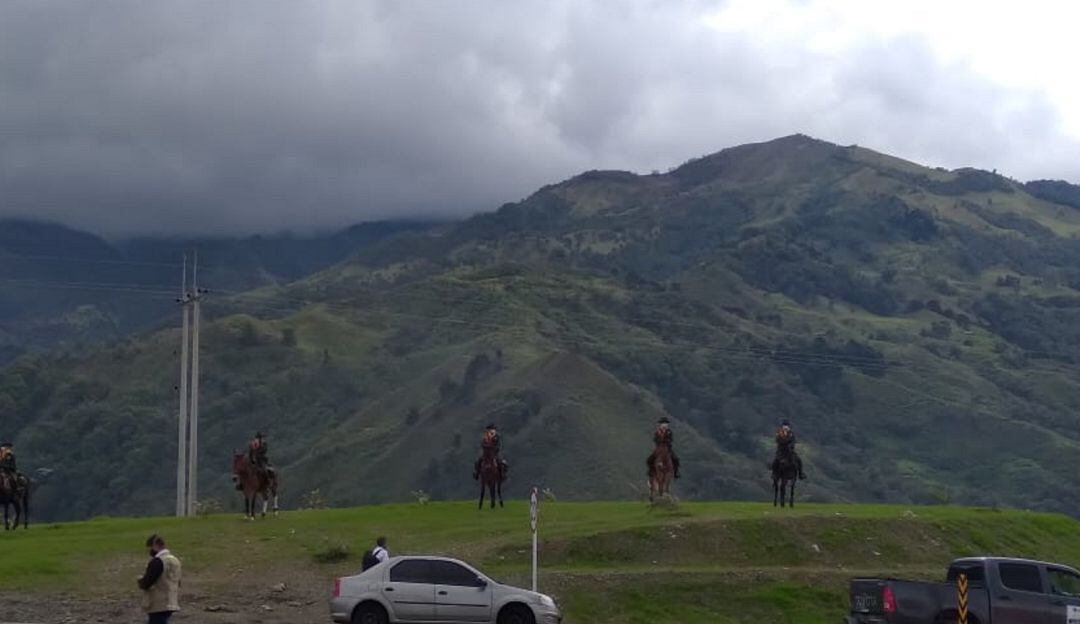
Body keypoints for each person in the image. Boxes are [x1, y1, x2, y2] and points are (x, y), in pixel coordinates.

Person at [137, 534, 181, 624]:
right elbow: (177, 581)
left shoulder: (157, 561)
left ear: (155, 545)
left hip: (158, 603)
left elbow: (147, 582)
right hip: (171, 601)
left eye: (150, 547)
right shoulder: (175, 560)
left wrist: (141, 580)